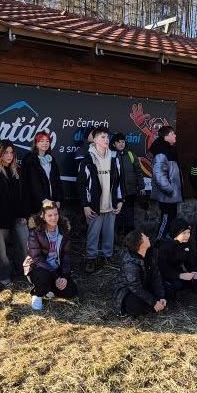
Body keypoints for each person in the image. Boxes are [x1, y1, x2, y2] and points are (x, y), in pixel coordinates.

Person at [0, 142, 30, 287]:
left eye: (11, 152)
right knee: (1, 251)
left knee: (24, 243)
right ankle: (4, 276)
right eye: (5, 153)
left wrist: (24, 215)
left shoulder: (18, 169)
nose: (9, 156)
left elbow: (24, 195)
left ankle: (25, 271)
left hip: (17, 216)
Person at [77, 128, 123, 272]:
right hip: (95, 205)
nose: (106, 139)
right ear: (95, 139)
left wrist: (120, 200)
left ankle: (107, 257)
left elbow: (119, 181)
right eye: (102, 137)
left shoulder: (114, 157)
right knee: (93, 233)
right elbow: (82, 184)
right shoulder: (87, 159)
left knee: (109, 233)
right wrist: (85, 205)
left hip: (111, 204)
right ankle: (91, 258)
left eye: (107, 137)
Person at [25, 200, 78, 311]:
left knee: (71, 291)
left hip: (56, 269)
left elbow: (66, 256)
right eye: (50, 215)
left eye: (55, 214)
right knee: (44, 277)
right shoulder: (35, 232)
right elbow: (37, 258)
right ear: (43, 217)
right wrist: (56, 277)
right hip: (38, 268)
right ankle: (37, 294)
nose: (54, 218)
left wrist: (64, 277)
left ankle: (49, 289)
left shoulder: (63, 230)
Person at [113, 230, 167, 316]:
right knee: (134, 304)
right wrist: (154, 302)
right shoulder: (130, 263)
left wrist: (161, 297)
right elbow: (135, 287)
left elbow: (156, 276)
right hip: (128, 291)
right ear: (140, 243)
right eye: (145, 237)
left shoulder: (150, 254)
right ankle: (152, 307)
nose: (148, 237)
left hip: (144, 285)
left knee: (169, 289)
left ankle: (155, 305)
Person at [154, 217, 197, 302]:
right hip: (169, 274)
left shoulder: (188, 242)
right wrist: (180, 275)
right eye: (184, 233)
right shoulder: (165, 246)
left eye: (188, 232)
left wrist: (194, 271)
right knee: (177, 285)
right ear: (175, 233)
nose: (187, 236)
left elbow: (191, 261)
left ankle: (196, 291)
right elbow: (162, 269)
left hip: (181, 271)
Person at [150, 125, 183, 242]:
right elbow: (159, 175)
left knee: (172, 219)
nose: (175, 135)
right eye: (172, 133)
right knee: (166, 218)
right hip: (167, 195)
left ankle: (168, 242)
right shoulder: (161, 152)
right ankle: (158, 242)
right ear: (166, 136)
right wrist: (170, 190)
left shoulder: (170, 149)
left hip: (171, 196)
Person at [21, 131, 64, 217]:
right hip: (37, 206)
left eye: (47, 141)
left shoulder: (51, 159)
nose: (45, 143)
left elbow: (57, 180)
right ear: (36, 144)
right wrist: (44, 200)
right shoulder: (30, 159)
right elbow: (33, 183)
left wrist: (58, 199)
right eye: (42, 141)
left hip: (52, 205)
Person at [111, 132, 145, 235]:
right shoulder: (110, 155)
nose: (121, 144)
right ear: (114, 144)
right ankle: (118, 235)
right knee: (118, 213)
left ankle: (129, 235)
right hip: (117, 192)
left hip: (130, 191)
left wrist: (141, 186)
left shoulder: (130, 154)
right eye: (118, 142)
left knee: (129, 212)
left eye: (123, 142)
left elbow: (138, 172)